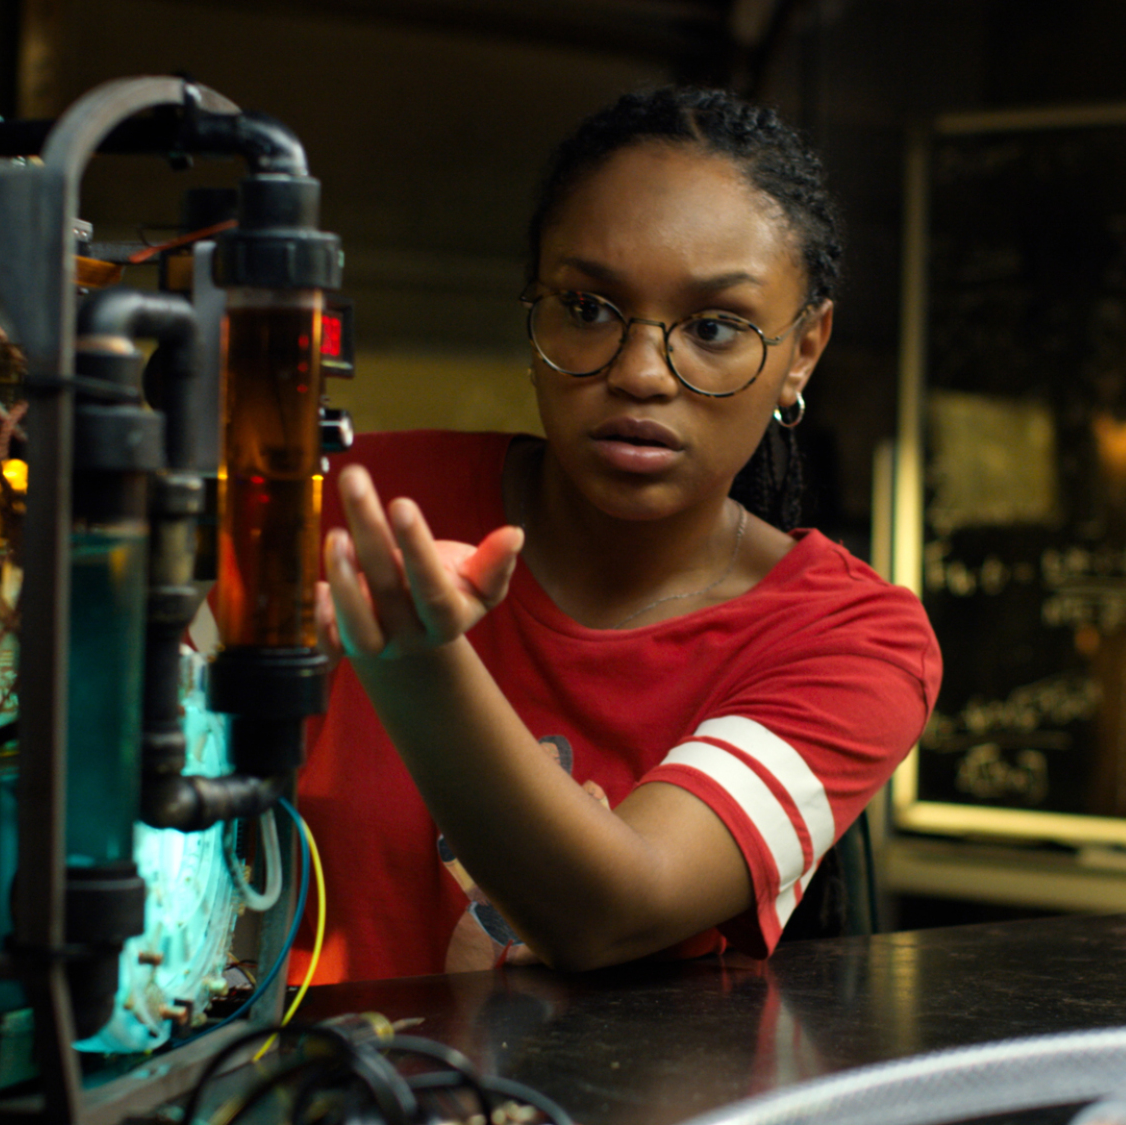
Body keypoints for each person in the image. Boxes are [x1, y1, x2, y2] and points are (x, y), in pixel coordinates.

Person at [292, 87, 941, 983]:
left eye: (715, 327)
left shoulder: (851, 640)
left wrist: (413, 656)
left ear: (804, 349)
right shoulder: (357, 500)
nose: (638, 373)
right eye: (588, 308)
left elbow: (609, 912)